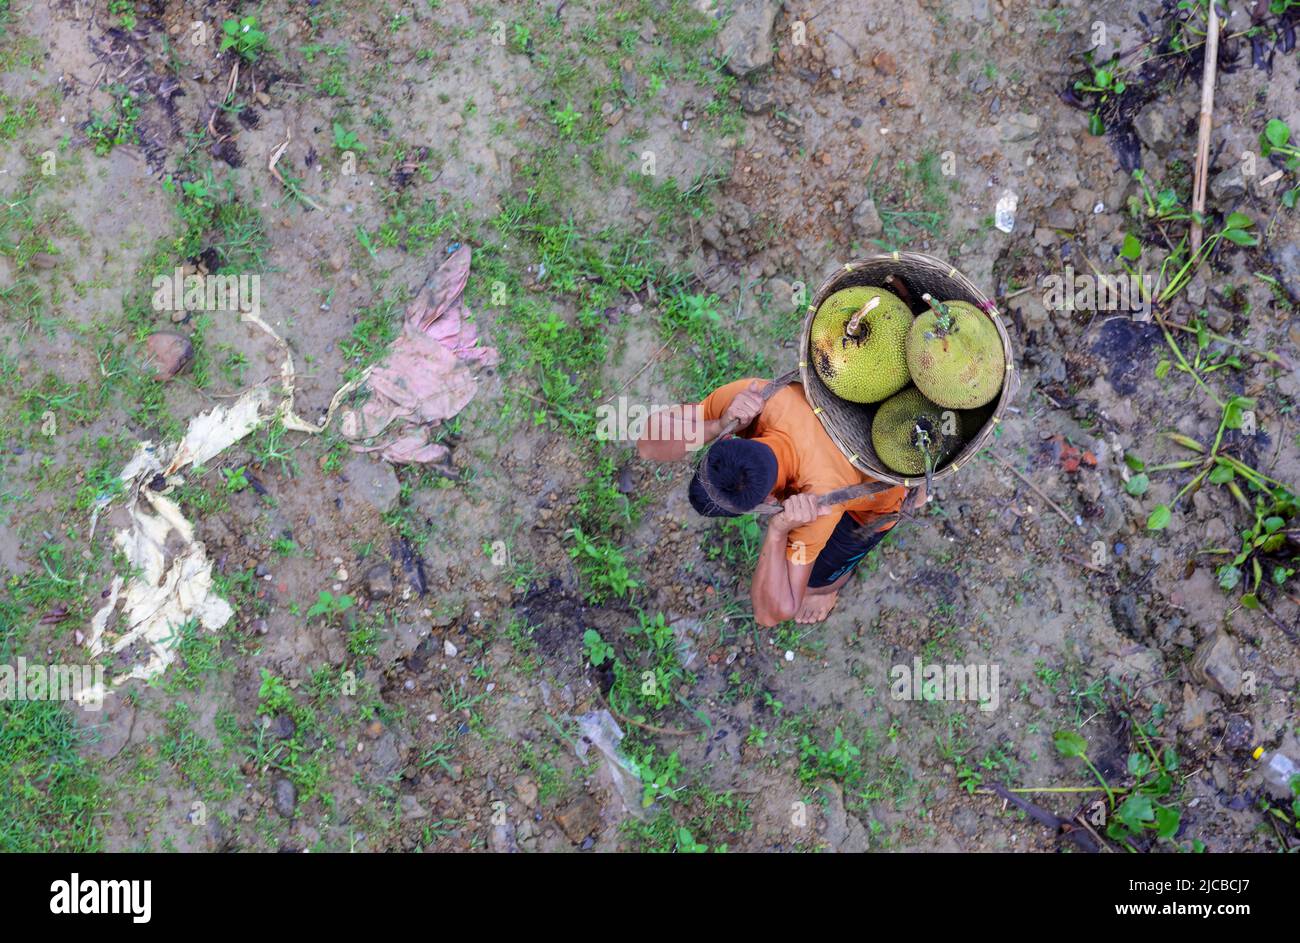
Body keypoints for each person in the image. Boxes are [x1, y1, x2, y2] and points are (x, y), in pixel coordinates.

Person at [637, 378, 924, 627]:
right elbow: (647, 444)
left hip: (876, 499)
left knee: (817, 581)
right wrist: (716, 424)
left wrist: (778, 532)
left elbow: (772, 612)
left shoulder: (820, 501)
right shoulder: (761, 397)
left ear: (769, 500)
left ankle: (828, 589)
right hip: (861, 431)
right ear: (731, 440)